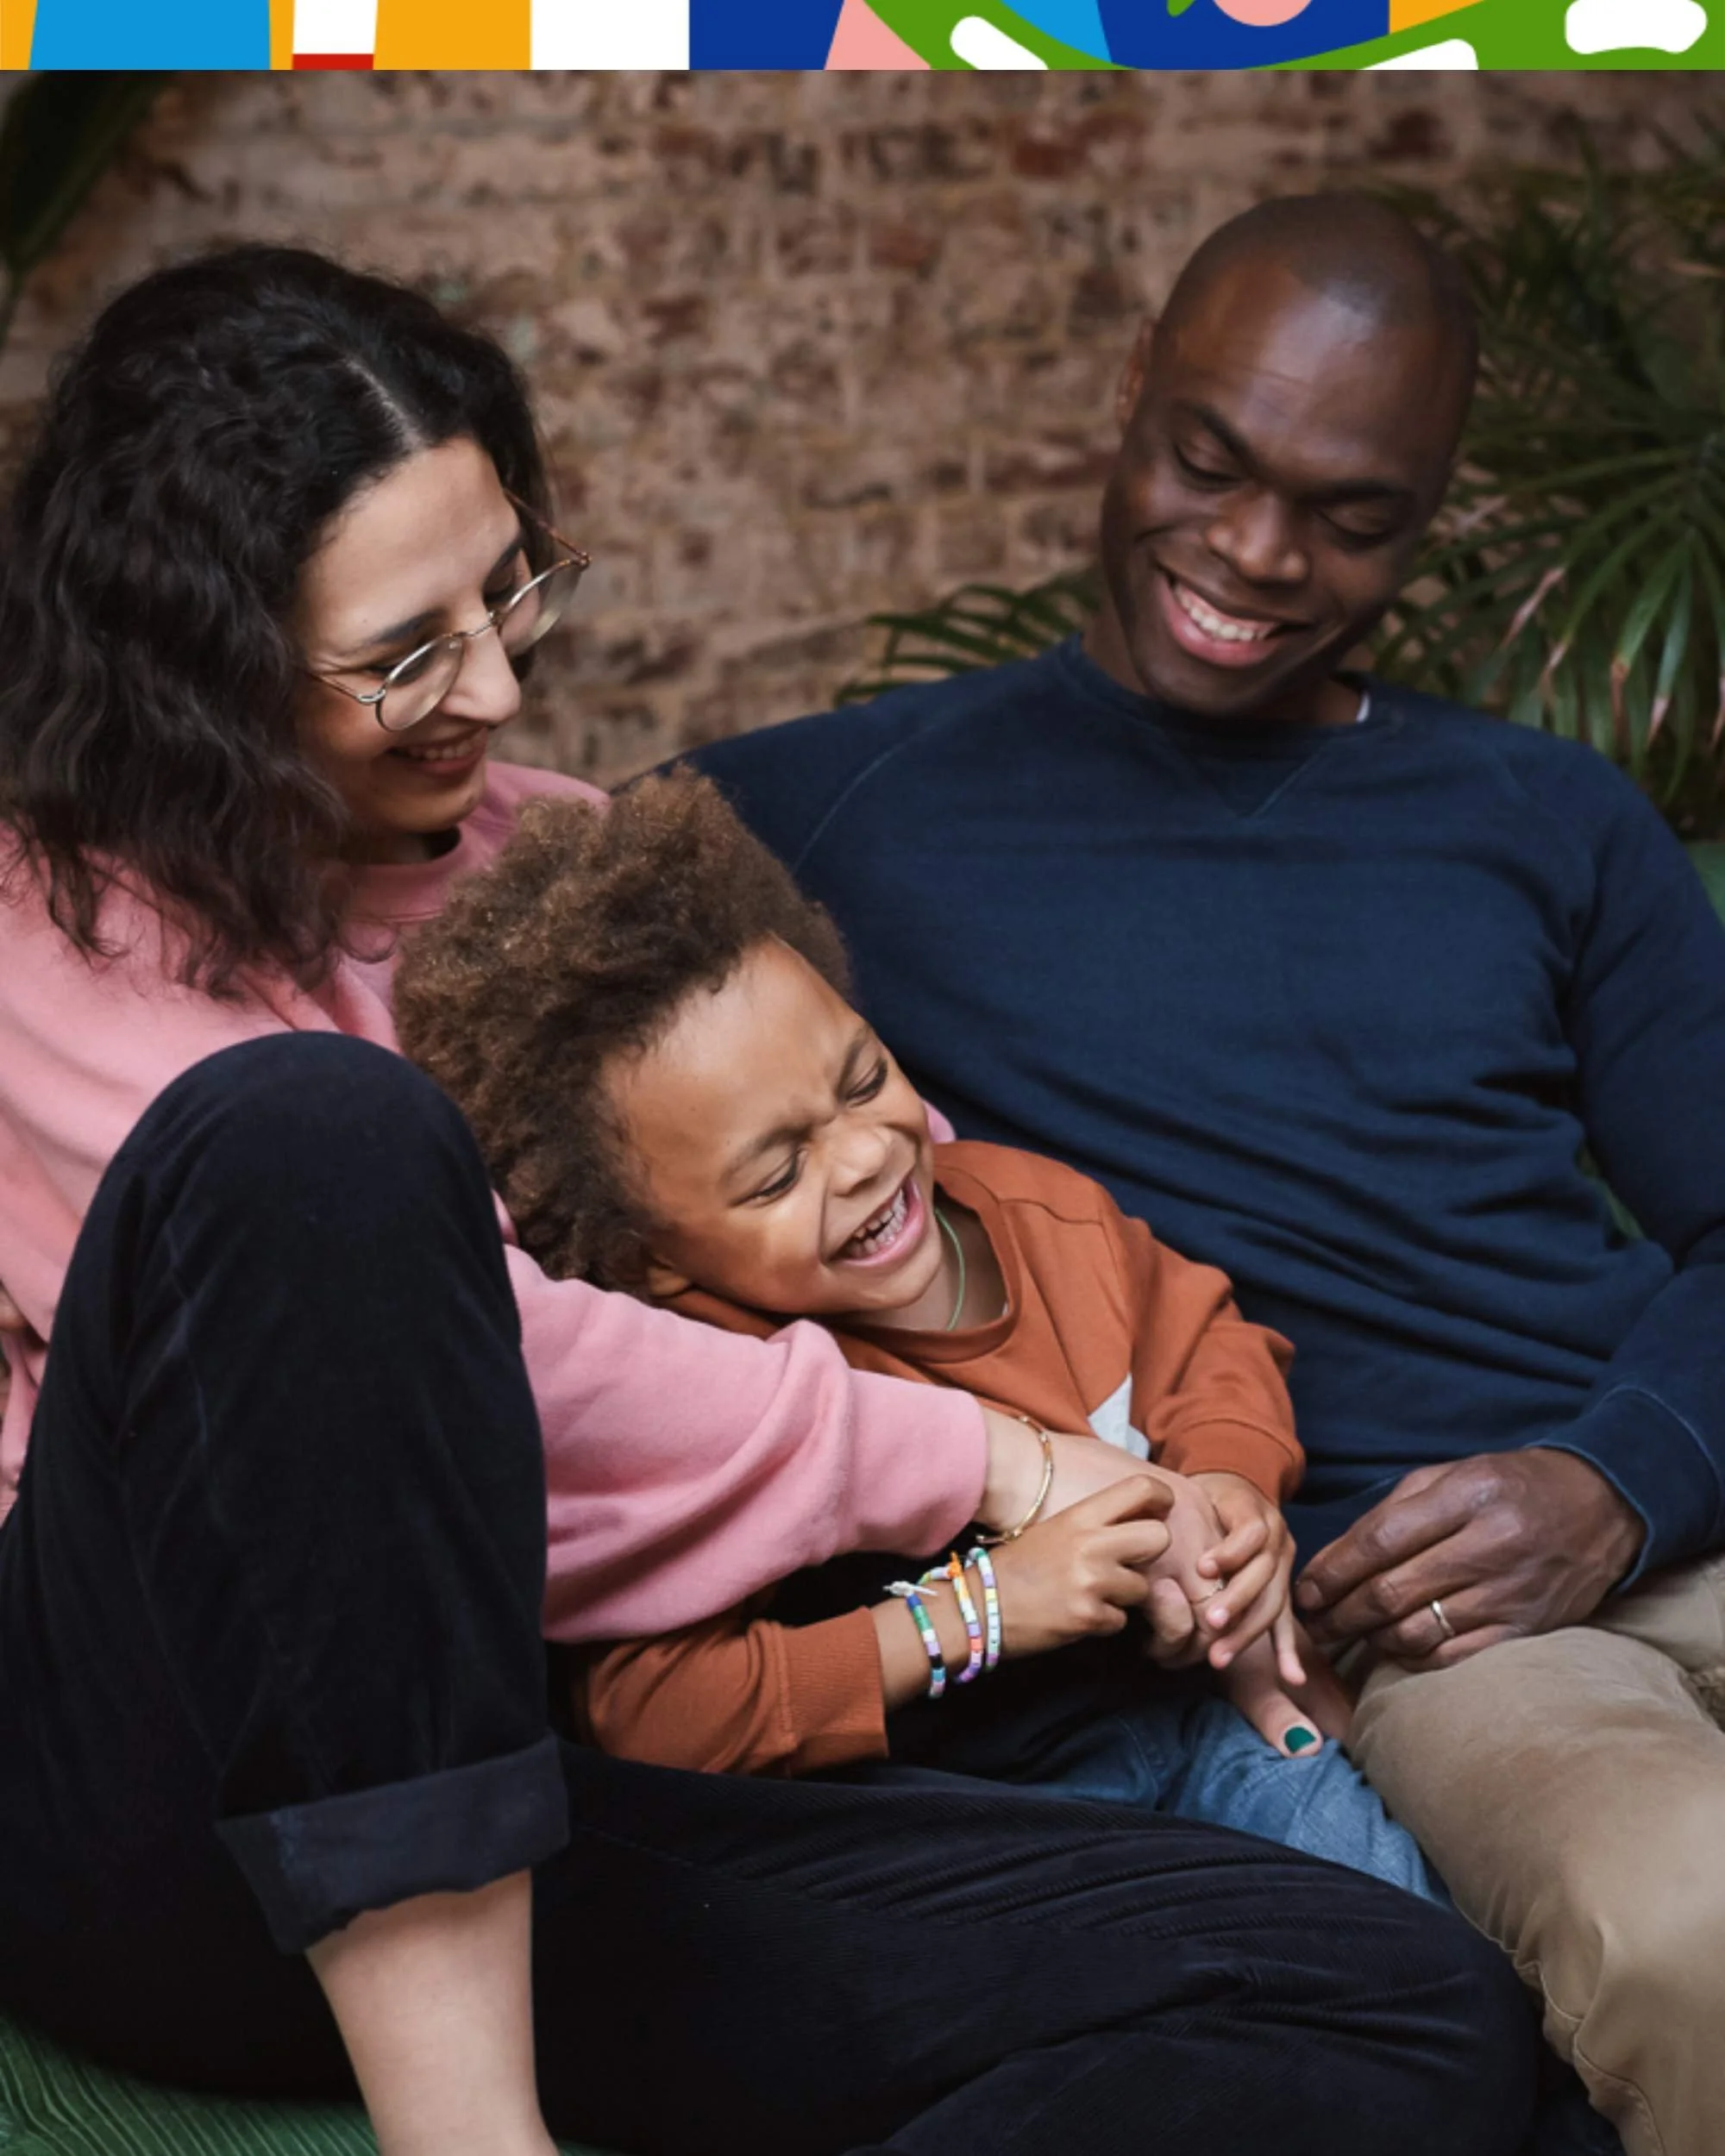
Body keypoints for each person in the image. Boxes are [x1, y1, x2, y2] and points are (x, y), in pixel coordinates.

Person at [0, 242, 1535, 2156]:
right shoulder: (50, 941)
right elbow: (470, 1392)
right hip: (184, 1815)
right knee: (320, 1135)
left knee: (1406, 2010)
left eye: (511, 590)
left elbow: (895, 1212)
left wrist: (1174, 1478)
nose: (500, 681)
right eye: (407, 653)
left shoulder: (565, 851)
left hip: (566, 1772)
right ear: (203, 667)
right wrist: (987, 1465)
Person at [686, 191, 1725, 2156]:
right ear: (1130, 392)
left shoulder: (1552, 817)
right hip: (1430, 1623)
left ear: (1429, 513)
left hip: (1659, 1491)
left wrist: (1615, 1476)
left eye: (1350, 514)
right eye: (1211, 461)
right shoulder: (824, 816)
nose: (1256, 554)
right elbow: (486, 1018)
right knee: (1698, 1927)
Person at [392, 767, 1442, 1904]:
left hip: (1195, 1728)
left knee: (1404, 1913)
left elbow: (1207, 1345)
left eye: (864, 1079)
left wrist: (1232, 1488)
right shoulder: (710, 1398)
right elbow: (655, 1715)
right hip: (963, 1826)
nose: (865, 1156)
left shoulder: (1034, 1211)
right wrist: (981, 1613)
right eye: (777, 1174)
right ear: (646, 1255)